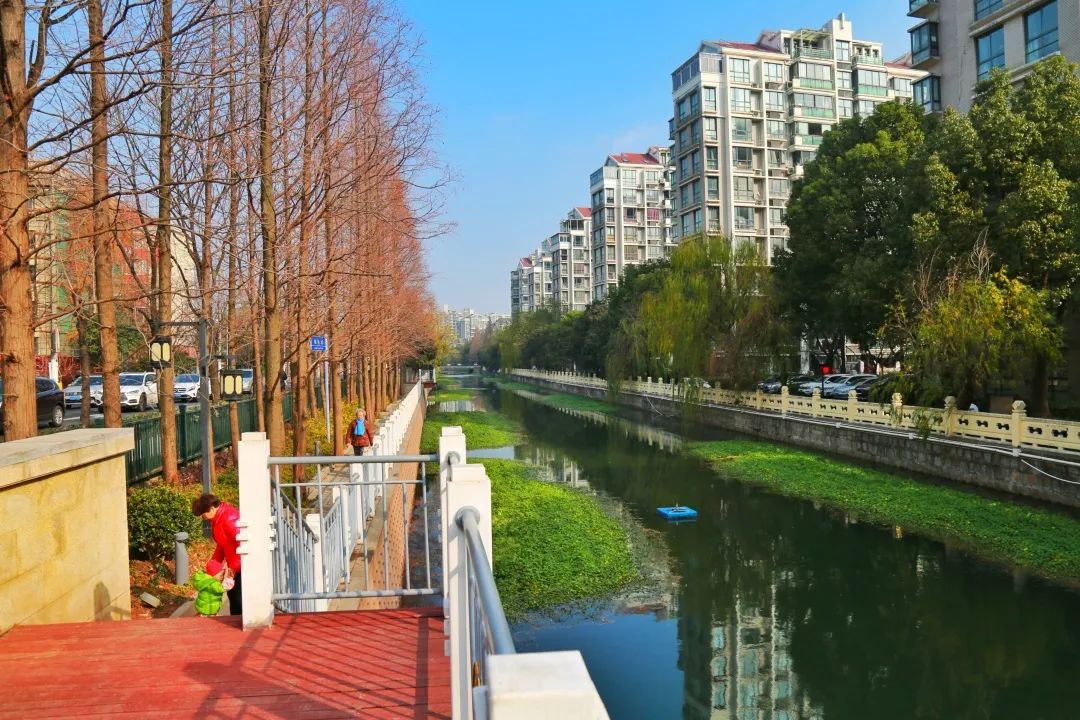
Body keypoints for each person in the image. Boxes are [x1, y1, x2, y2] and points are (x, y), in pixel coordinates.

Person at [191, 493, 242, 616]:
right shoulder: (217, 518)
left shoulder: (229, 519)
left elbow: (242, 544)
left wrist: (233, 568)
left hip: (241, 565)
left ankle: (237, 624)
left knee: (238, 597)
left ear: (212, 508)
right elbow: (222, 543)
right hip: (234, 564)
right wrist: (214, 565)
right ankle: (235, 621)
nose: (204, 518)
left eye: (204, 515)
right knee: (233, 595)